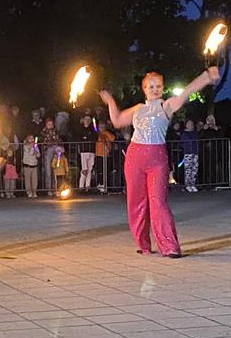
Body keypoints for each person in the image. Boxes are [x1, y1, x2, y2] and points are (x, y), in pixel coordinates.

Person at [99, 67, 220, 258]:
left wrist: (206, 77)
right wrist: (110, 101)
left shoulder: (167, 106)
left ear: (162, 88)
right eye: (151, 86)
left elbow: (187, 91)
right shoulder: (138, 108)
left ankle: (169, 246)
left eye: (158, 86)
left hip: (157, 158)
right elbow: (117, 120)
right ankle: (143, 243)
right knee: (136, 202)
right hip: (135, 157)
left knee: (158, 202)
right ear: (144, 89)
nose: (155, 89)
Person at [77, 115, 97, 192]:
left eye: (89, 119)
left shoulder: (92, 129)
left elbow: (94, 137)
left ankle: (87, 186)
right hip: (84, 151)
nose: (87, 121)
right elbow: (80, 138)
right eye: (86, 119)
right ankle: (81, 186)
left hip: (91, 151)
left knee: (90, 169)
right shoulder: (80, 129)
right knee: (84, 169)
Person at [179, 120, 199, 192]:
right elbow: (182, 143)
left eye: (191, 123)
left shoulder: (194, 133)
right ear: (186, 125)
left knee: (194, 169)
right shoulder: (184, 133)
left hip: (195, 152)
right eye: (189, 123)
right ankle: (188, 185)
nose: (190, 125)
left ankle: (193, 184)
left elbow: (196, 140)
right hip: (188, 153)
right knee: (188, 169)